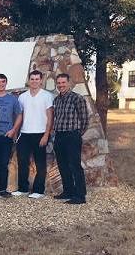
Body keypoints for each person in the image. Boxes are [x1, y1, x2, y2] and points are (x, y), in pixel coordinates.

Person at [13, 70, 54, 199]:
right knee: (22, 162)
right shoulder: (23, 97)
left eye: (37, 79)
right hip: (25, 134)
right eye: (32, 79)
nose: (35, 81)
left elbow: (50, 117)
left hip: (40, 133)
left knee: (40, 163)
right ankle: (23, 189)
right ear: (29, 80)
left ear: (41, 80)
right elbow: (20, 115)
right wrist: (16, 131)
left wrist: (46, 135)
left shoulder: (47, 96)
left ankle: (38, 191)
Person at [52, 73, 89, 204]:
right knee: (62, 165)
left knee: (75, 165)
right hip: (59, 136)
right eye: (59, 83)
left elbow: (85, 119)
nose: (61, 85)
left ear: (69, 83)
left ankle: (80, 195)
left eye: (63, 83)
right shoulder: (56, 100)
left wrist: (77, 133)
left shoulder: (77, 98)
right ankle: (68, 191)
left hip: (72, 135)